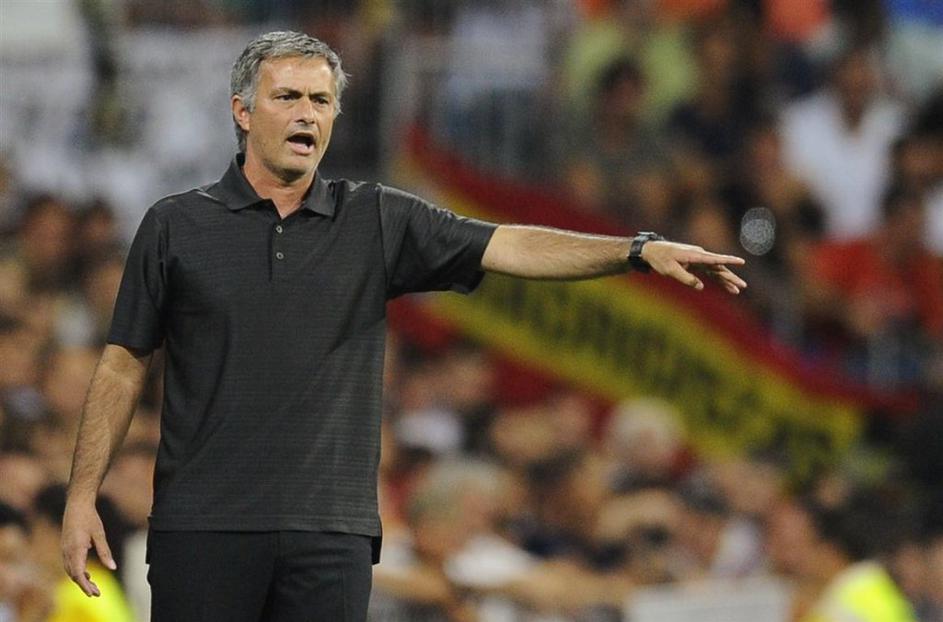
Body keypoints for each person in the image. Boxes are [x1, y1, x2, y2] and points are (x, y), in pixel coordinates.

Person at [60, 30, 747, 622]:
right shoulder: (176, 225)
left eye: (321, 100)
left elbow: (509, 245)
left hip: (330, 534)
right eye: (288, 97)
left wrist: (634, 250)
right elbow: (123, 363)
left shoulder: (377, 218)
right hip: (203, 528)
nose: (307, 114)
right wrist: (83, 495)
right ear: (242, 111)